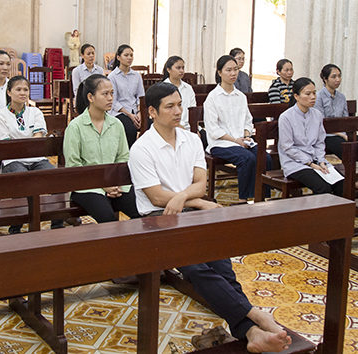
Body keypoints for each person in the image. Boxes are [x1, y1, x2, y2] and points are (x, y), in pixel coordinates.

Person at [129, 82, 291, 354]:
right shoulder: (142, 148)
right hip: (158, 218)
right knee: (194, 267)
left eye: (180, 104)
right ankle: (255, 315)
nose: (178, 111)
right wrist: (191, 199)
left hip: (190, 211)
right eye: (170, 106)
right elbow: (156, 198)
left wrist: (185, 199)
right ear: (153, 112)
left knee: (222, 264)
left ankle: (250, 332)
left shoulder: (191, 139)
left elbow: (201, 184)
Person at [64, 74, 141, 222]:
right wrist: (102, 184)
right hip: (86, 186)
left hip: (117, 185)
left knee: (141, 211)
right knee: (107, 218)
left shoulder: (116, 124)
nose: (110, 98)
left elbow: (123, 157)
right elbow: (74, 166)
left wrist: (116, 183)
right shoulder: (76, 126)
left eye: (112, 93)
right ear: (90, 97)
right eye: (105, 94)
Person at [0, 75, 61, 233]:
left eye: (25, 89)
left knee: (57, 178)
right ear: (9, 92)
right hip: (13, 161)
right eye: (18, 89)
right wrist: (27, 144)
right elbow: (8, 146)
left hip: (37, 158)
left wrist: (25, 144)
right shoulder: (0, 116)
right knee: (22, 180)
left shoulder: (35, 112)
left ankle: (57, 224)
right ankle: (15, 227)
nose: (22, 93)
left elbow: (38, 140)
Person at [204, 55, 271, 202]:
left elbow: (248, 120)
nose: (233, 73)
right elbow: (213, 129)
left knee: (265, 157)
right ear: (219, 72)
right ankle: (243, 200)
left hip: (242, 141)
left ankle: (261, 196)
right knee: (246, 158)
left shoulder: (240, 96)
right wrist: (236, 140)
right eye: (228, 70)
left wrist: (247, 135)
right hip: (221, 143)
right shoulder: (213, 97)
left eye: (235, 69)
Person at [278, 78, 343, 197]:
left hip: (316, 160)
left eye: (314, 93)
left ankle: (336, 215)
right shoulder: (286, 117)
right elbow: (287, 147)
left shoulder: (317, 114)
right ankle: (316, 215)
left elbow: (319, 142)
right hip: (295, 163)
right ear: (296, 96)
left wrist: (322, 161)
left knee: (341, 184)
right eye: (308, 94)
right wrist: (309, 163)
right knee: (323, 187)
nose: (313, 97)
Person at [107, 44, 145, 147]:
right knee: (130, 130)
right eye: (126, 55)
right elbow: (113, 101)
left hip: (135, 111)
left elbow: (140, 96)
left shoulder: (136, 76)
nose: (129, 58)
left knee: (151, 126)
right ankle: (127, 158)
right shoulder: (112, 76)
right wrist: (130, 115)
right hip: (119, 112)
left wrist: (139, 113)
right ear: (118, 57)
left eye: (131, 55)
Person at [315, 64, 355, 158]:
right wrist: (341, 134)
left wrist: (345, 134)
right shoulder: (318, 97)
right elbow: (320, 124)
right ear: (325, 79)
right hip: (327, 136)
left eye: (339, 76)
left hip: (342, 134)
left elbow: (346, 119)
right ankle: (348, 171)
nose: (338, 79)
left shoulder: (342, 97)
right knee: (346, 150)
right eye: (334, 77)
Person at [162, 55, 196, 131]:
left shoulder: (188, 88)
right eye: (178, 68)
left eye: (183, 68)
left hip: (188, 127)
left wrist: (195, 129)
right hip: (170, 127)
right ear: (169, 70)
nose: (181, 71)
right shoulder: (162, 88)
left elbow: (193, 110)